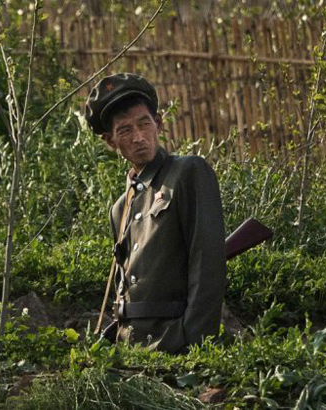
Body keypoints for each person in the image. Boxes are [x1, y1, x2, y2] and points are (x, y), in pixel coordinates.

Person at [84, 73, 227, 354]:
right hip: (131, 349)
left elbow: (208, 264)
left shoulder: (188, 173)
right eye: (125, 130)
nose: (138, 138)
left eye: (144, 124)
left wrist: (195, 343)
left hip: (174, 343)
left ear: (158, 123)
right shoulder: (120, 209)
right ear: (110, 141)